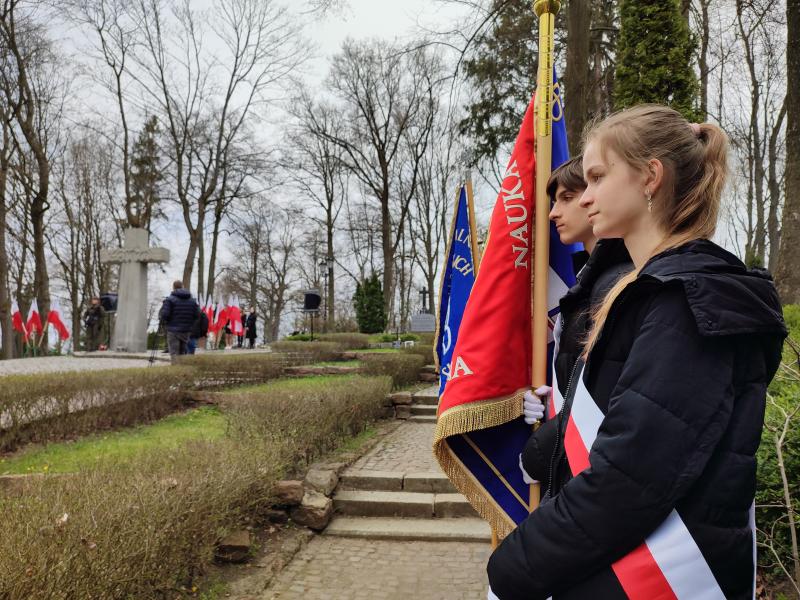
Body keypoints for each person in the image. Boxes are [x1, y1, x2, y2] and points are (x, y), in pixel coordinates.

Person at [487, 105, 787, 600]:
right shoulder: (653, 291)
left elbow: (628, 481)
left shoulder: (684, 304)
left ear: (650, 177)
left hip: (656, 573)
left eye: (598, 177)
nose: (587, 198)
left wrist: (512, 567)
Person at [518, 156, 632, 496]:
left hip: (588, 481)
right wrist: (556, 396)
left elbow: (610, 398)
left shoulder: (617, 285)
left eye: (567, 197)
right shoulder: (587, 280)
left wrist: (537, 453)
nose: (553, 213)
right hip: (570, 473)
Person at [159, 280, 200, 364]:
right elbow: (198, 314)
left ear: (173, 287)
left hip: (173, 330)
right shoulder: (192, 300)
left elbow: (164, 315)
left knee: (174, 353)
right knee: (183, 352)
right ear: (183, 286)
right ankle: (182, 371)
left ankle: (175, 372)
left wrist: (165, 321)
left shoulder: (170, 300)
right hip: (186, 330)